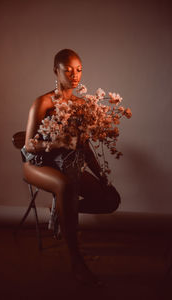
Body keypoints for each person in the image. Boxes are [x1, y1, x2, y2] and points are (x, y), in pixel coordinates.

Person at [22, 49, 121, 286]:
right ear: (56, 71)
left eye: (78, 70)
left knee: (110, 200)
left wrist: (101, 175)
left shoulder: (81, 104)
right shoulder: (42, 102)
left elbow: (84, 148)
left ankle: (61, 211)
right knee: (65, 186)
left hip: (67, 165)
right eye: (68, 70)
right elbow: (28, 144)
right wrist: (57, 142)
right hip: (37, 164)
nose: (74, 75)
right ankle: (76, 261)